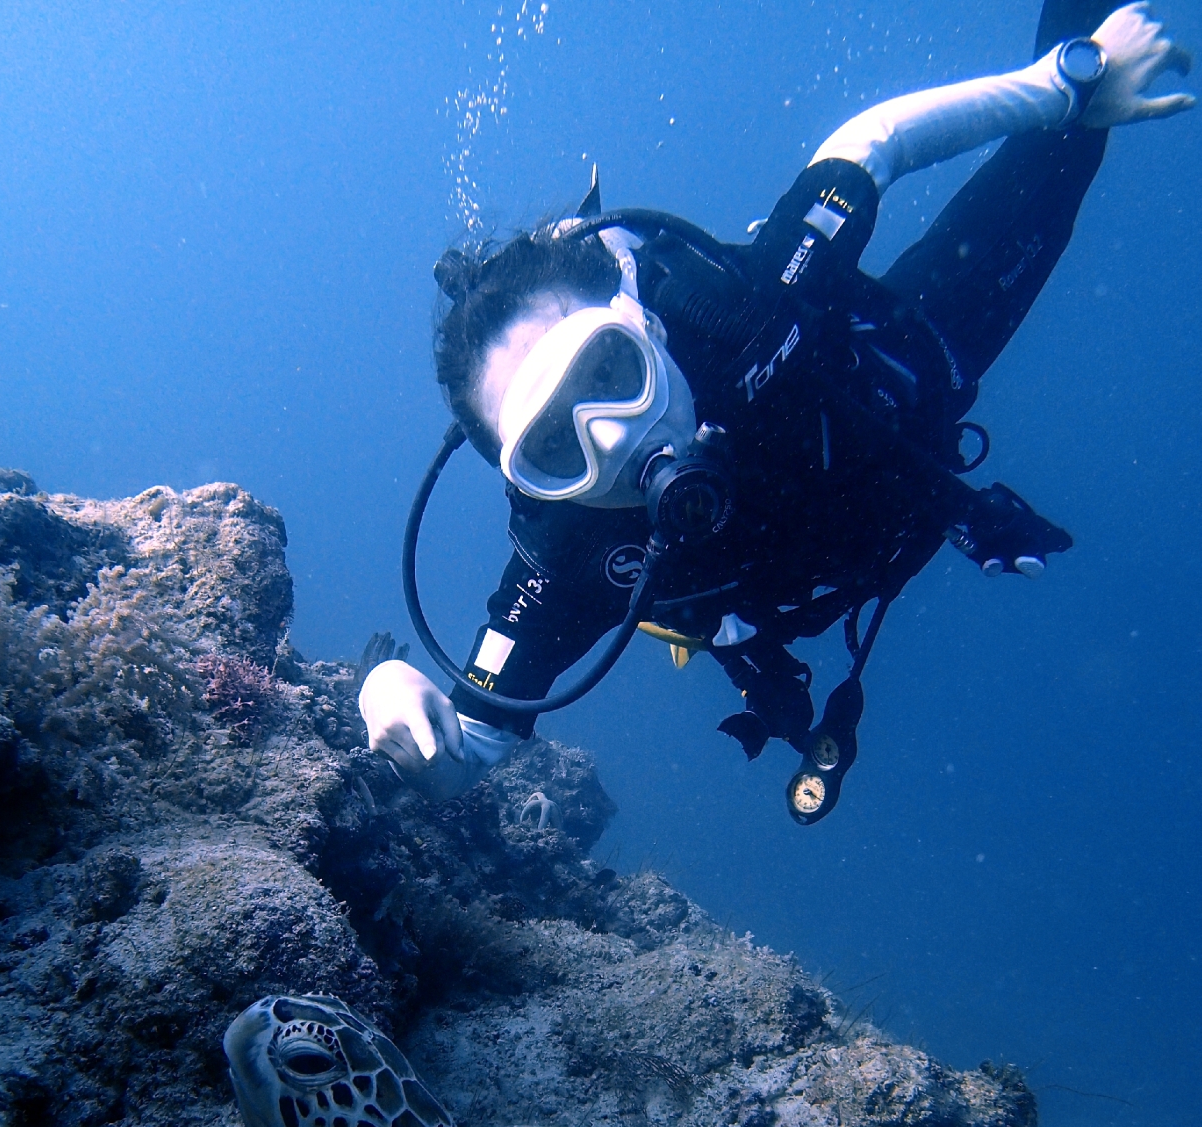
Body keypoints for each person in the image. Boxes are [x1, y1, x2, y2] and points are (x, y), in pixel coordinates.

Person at [361, 1, 1192, 824]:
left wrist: (1064, 85)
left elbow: (868, 145)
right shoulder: (568, 552)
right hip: (819, 564)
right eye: (553, 445)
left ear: (641, 321)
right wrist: (388, 692)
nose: (613, 439)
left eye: (609, 370)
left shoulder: (743, 314)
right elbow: (466, 744)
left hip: (920, 364)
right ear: (533, 482)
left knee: (1063, 153)